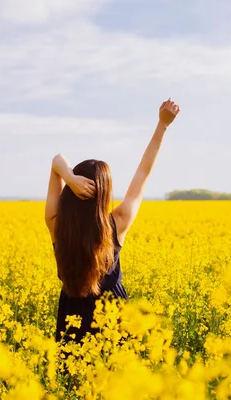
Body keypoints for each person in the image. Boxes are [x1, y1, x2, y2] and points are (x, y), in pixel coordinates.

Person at [44, 98, 181, 343]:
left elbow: (56, 161)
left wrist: (69, 178)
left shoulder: (56, 224)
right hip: (114, 315)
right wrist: (162, 125)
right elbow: (143, 171)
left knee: (73, 378)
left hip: (70, 316)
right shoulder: (117, 223)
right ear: (105, 194)